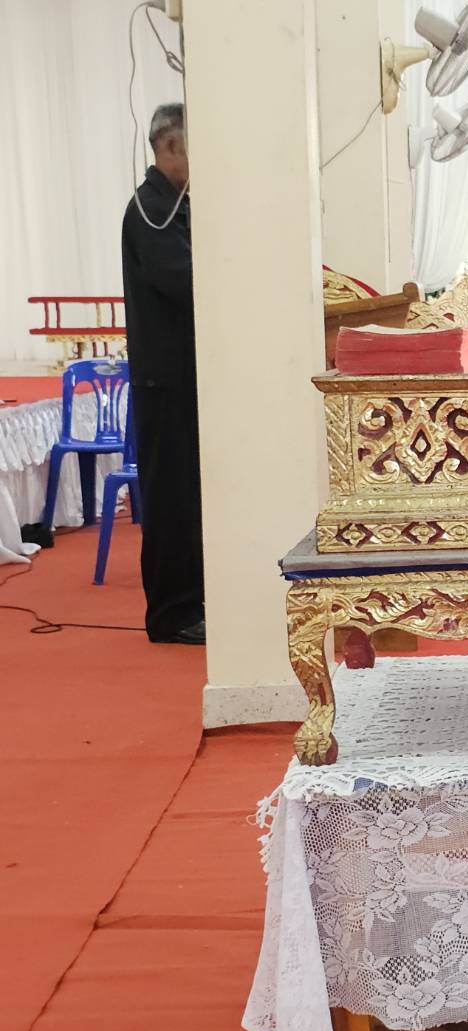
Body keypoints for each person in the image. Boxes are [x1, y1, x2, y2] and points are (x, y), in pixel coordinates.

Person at [121, 103, 205, 645]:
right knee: (171, 498)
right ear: (171, 146)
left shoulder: (176, 205)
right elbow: (185, 281)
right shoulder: (149, 209)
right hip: (165, 380)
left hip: (186, 375)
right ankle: (172, 614)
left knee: (191, 498)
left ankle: (194, 599)